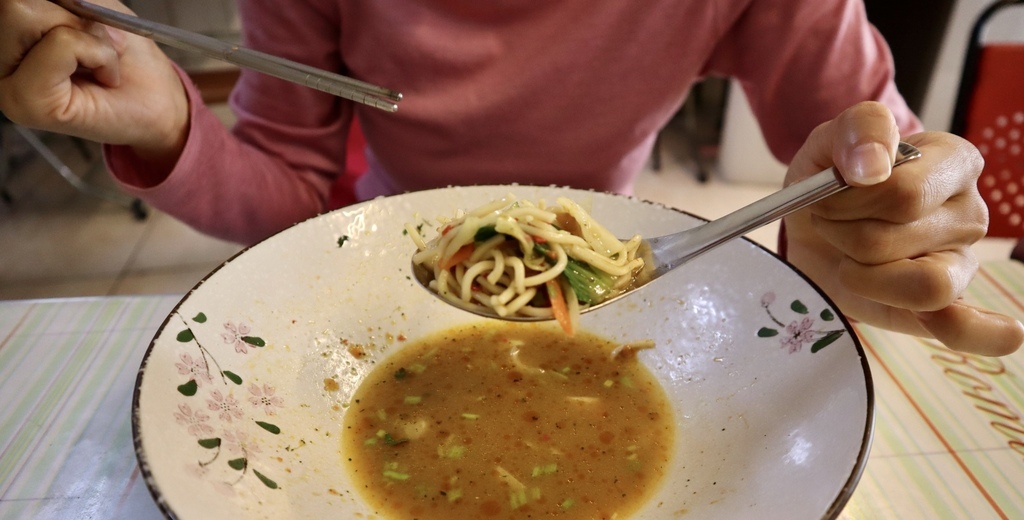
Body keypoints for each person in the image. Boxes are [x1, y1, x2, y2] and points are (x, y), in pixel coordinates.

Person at [1, 0, 1021, 356]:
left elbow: (868, 148)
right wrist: (174, 122)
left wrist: (889, 209)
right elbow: (298, 195)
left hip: (621, 288)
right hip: (382, 281)